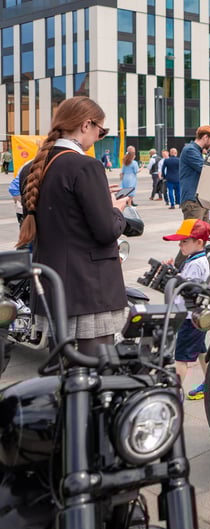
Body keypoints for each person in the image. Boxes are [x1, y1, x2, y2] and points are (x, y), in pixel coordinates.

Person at [16, 96, 128, 356]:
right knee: (93, 377)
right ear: (86, 125)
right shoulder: (86, 166)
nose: (98, 138)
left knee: (64, 375)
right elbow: (105, 231)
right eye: (101, 131)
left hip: (52, 285)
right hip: (88, 289)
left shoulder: (32, 169)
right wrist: (115, 208)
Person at [162, 218, 210, 399]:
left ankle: (174, 393)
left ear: (199, 242)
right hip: (198, 317)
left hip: (190, 318)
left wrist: (170, 278)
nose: (180, 245)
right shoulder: (196, 259)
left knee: (181, 358)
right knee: (201, 351)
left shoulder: (196, 264)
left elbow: (186, 289)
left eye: (185, 241)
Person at [179, 125, 210, 222]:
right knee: (191, 235)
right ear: (205, 137)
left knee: (202, 235)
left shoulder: (196, 151)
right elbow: (205, 170)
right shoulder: (190, 150)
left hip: (199, 200)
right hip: (193, 201)